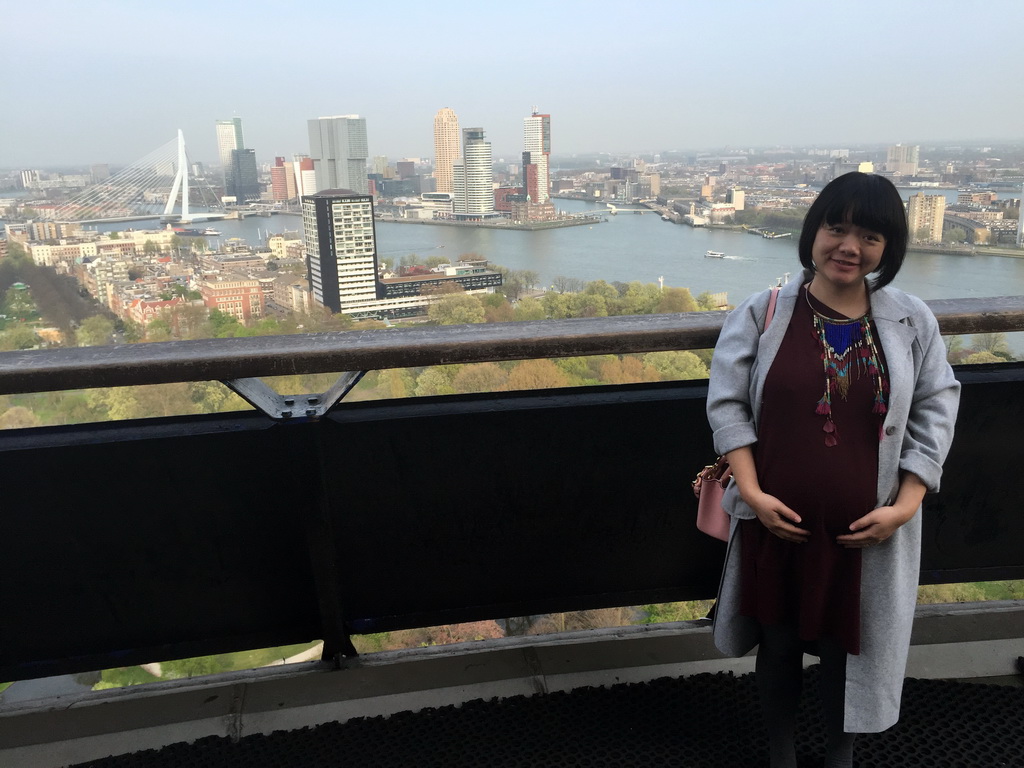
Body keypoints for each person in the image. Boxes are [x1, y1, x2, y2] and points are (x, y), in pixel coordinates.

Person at [706, 172, 960, 768]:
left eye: (869, 236)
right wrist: (750, 492)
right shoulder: (763, 312)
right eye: (836, 227)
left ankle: (840, 757)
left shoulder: (911, 320)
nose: (849, 246)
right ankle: (781, 754)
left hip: (869, 532)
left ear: (887, 249)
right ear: (813, 231)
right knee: (779, 642)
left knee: (852, 650)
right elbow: (726, 403)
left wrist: (908, 501)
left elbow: (937, 404)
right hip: (777, 524)